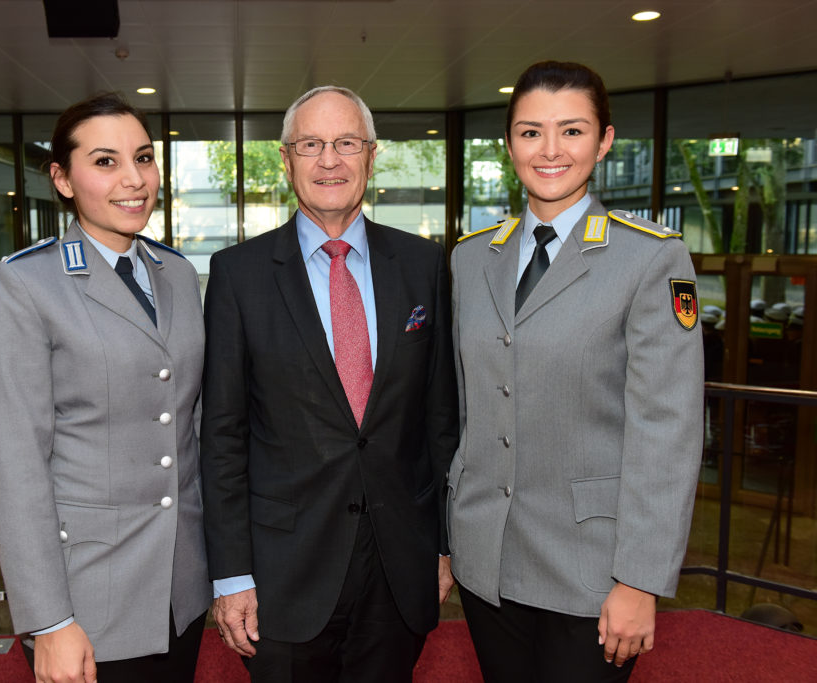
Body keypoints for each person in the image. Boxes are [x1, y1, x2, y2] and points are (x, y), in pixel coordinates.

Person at [447, 61, 703, 682]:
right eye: (531, 132)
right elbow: (461, 410)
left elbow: (666, 431)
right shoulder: (471, 258)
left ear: (605, 140)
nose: (551, 150)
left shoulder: (650, 259)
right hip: (487, 559)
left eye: (573, 130)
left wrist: (639, 580)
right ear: (509, 145)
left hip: (593, 568)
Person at [200, 85, 459, 683]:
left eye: (346, 143)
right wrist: (232, 576)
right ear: (286, 159)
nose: (329, 160)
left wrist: (445, 546)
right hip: (283, 573)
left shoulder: (423, 266)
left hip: (399, 565)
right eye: (311, 144)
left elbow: (439, 420)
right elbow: (222, 436)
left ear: (372, 155)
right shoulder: (238, 276)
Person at [0, 92, 210, 683]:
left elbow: (192, 425)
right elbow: (14, 468)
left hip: (181, 588)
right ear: (63, 178)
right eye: (105, 162)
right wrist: (49, 621)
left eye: (144, 158)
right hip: (86, 598)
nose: (134, 180)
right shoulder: (24, 285)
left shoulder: (176, 273)